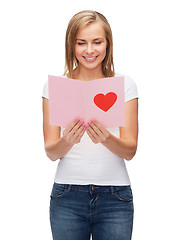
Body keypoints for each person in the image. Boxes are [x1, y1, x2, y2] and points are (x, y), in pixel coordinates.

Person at [42, 10, 138, 240]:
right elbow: (51, 152)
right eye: (81, 43)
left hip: (115, 198)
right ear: (71, 46)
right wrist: (67, 141)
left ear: (108, 44)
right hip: (67, 196)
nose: (90, 50)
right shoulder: (54, 87)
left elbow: (130, 150)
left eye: (97, 42)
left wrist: (106, 138)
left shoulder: (125, 85)